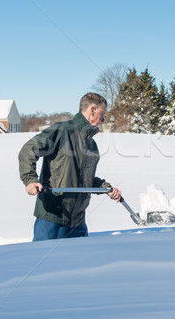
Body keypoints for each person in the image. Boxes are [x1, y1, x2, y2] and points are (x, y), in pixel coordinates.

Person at [18, 93, 121, 241]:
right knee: (45, 262)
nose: (103, 119)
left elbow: (86, 180)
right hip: (52, 218)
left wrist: (106, 188)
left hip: (78, 223)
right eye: (102, 114)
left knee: (79, 263)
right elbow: (28, 150)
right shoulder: (62, 130)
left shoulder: (91, 145)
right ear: (92, 110)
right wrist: (30, 180)